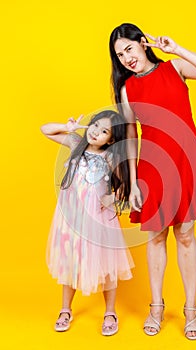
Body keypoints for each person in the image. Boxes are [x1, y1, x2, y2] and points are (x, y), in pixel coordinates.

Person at [109, 23, 196, 339]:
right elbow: (130, 136)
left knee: (186, 236)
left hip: (187, 161)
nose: (126, 58)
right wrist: (132, 183)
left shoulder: (175, 67)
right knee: (156, 236)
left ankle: (190, 311)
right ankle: (156, 308)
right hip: (153, 168)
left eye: (129, 49)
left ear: (143, 43)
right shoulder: (128, 89)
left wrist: (176, 48)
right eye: (120, 55)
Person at [40, 111, 134, 336]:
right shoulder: (76, 144)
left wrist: (110, 199)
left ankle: (110, 312)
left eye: (104, 132)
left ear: (110, 140)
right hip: (71, 218)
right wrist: (68, 127)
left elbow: (123, 186)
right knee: (70, 261)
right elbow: (45, 129)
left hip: (99, 220)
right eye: (95, 125)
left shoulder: (110, 157)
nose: (96, 132)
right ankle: (65, 309)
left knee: (106, 264)